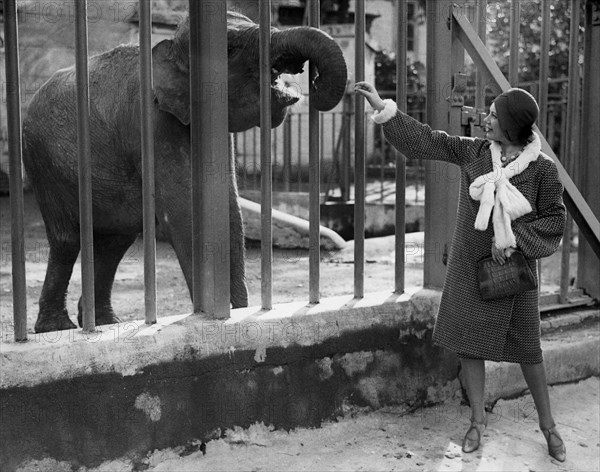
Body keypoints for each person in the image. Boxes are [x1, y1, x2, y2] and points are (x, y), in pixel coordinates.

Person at [355, 82, 567, 462]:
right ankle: (477, 421)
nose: (484, 119)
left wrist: (512, 239)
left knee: (529, 351)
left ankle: (548, 426)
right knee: (471, 345)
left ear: (511, 126)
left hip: (516, 276)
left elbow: (554, 220)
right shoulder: (474, 153)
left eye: (492, 115)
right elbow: (426, 141)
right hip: (473, 268)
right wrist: (383, 107)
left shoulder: (543, 172)